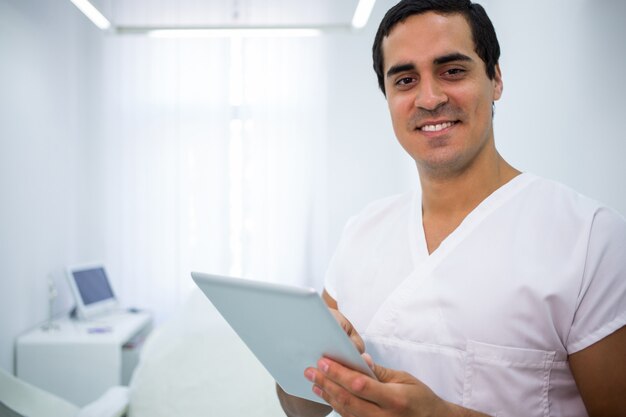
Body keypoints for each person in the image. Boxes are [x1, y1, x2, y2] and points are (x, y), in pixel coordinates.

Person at [276, 0, 626, 416]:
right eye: (405, 79)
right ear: (387, 97)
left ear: (495, 79)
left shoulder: (589, 237)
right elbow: (302, 410)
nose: (429, 97)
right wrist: (303, 360)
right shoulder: (362, 231)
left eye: (453, 71)